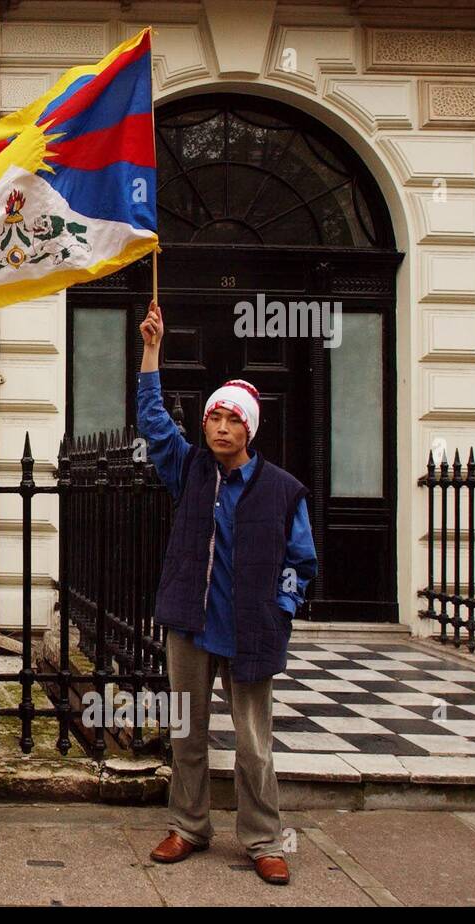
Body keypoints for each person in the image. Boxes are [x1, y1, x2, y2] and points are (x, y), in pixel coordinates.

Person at [137, 301, 318, 885]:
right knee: (186, 733)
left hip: (249, 630)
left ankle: (263, 839)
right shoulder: (189, 469)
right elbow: (153, 423)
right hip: (190, 623)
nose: (219, 427)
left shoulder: (284, 490)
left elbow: (301, 562)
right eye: (214, 416)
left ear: (249, 429)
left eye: (231, 419)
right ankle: (188, 827)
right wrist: (152, 349)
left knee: (253, 744)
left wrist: (281, 609)